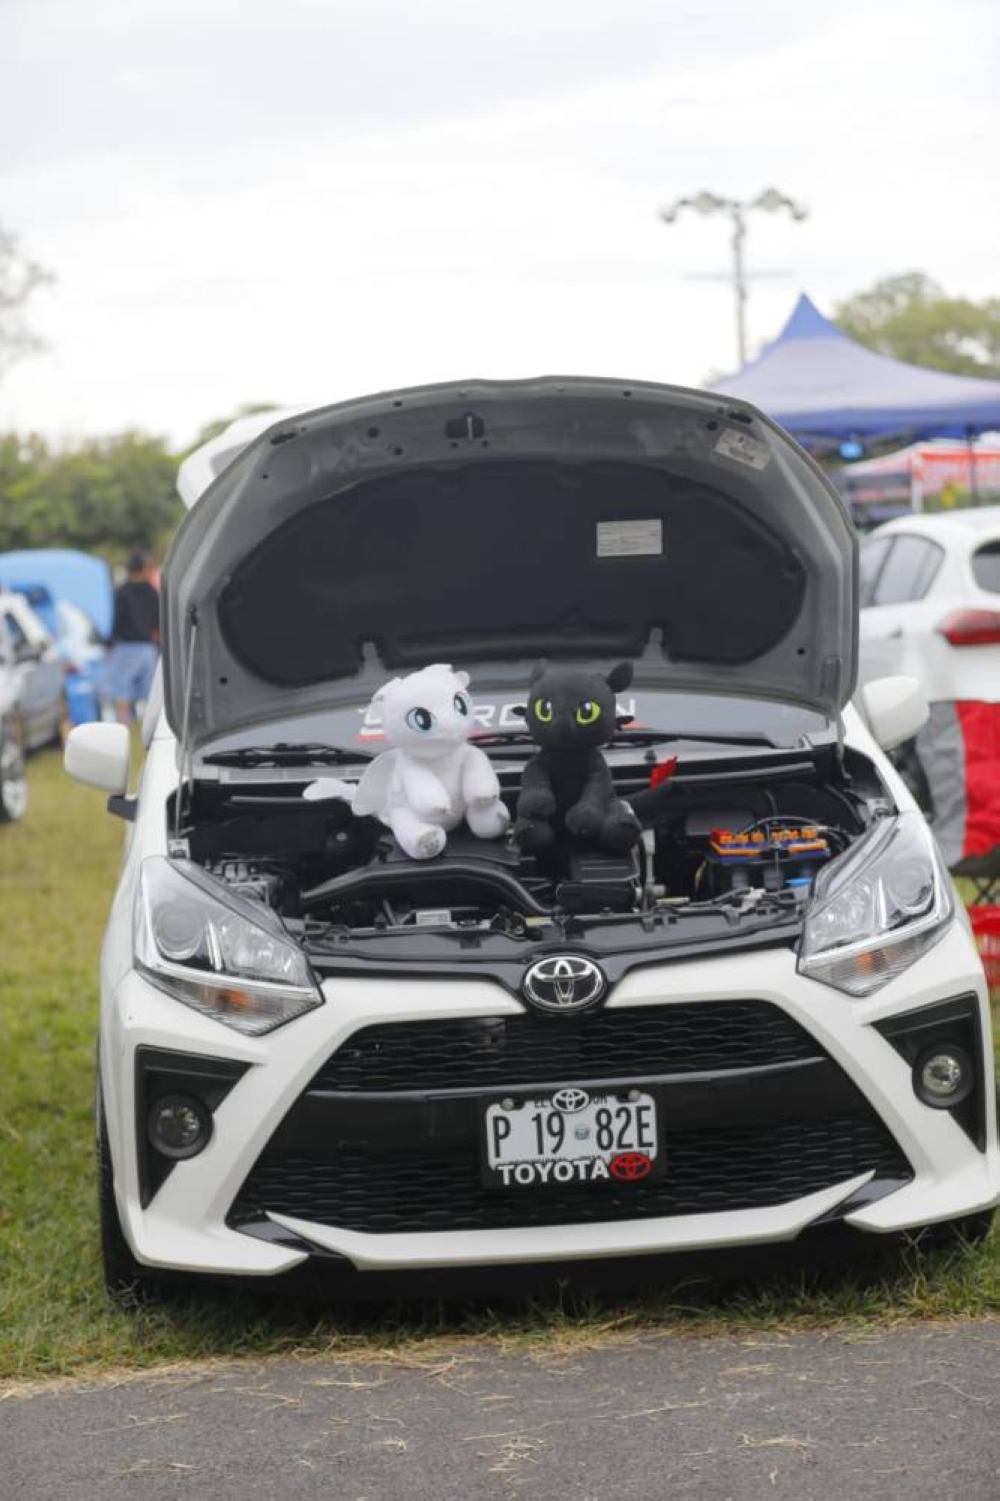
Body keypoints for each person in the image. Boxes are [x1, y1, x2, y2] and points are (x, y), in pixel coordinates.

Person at [103, 551, 160, 724]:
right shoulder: (151, 591)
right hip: (148, 647)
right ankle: (152, 723)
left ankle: (124, 723)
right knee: (150, 690)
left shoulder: (122, 591)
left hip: (126, 646)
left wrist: (109, 641)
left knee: (122, 687)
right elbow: (158, 619)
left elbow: (117, 619)